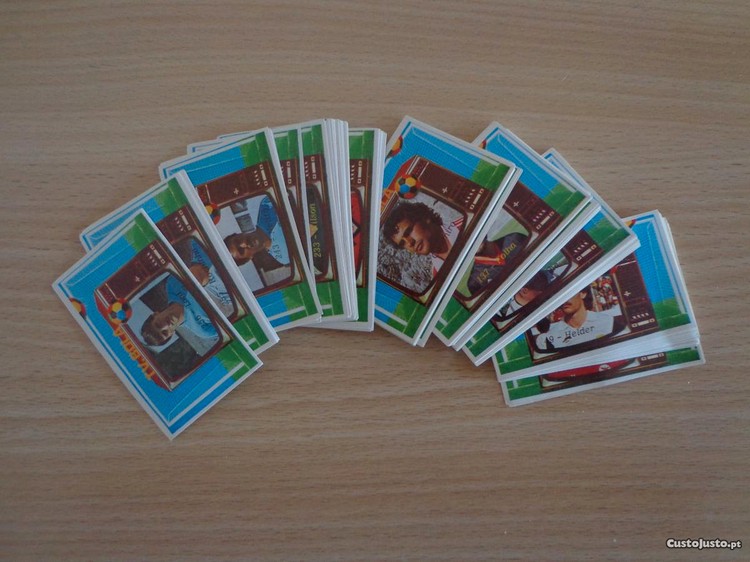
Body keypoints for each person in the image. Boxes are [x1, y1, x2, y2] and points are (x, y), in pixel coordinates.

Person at [141, 276, 220, 356]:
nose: (166, 325)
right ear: (171, 334)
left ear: (155, 314)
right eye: (165, 333)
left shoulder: (172, 284)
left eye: (158, 324)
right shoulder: (203, 330)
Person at [382, 201, 455, 271]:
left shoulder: (460, 228)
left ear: (425, 218)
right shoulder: (437, 273)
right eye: (402, 243)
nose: (409, 243)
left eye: (408, 232)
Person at [534, 290, 616, 351]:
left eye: (568, 293)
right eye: (559, 296)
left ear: (583, 293)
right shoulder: (547, 337)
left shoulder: (607, 321)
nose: (564, 300)